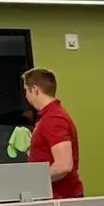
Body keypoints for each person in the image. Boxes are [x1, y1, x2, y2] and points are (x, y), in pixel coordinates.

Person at [23, 68, 83, 199]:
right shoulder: (48, 117)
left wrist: (31, 182)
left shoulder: (54, 119)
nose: (26, 96)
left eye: (26, 91)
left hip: (61, 200)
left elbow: (63, 165)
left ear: (35, 90)